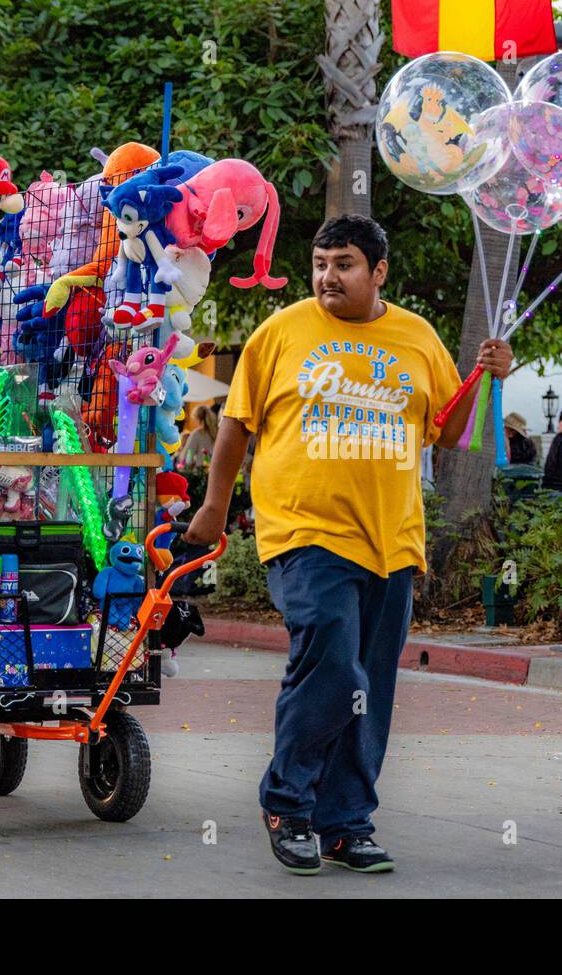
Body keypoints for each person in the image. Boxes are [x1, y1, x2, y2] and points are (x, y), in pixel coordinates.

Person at [182, 214, 512, 875]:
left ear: (379, 271)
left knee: (371, 687)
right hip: (303, 530)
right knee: (333, 665)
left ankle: (346, 822)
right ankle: (288, 802)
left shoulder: (416, 337)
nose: (328, 276)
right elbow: (237, 425)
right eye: (320, 263)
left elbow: (447, 433)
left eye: (345, 264)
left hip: (392, 540)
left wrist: (492, 378)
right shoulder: (282, 333)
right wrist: (215, 507)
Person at [177, 403, 220, 472]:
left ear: (197, 419)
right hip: (217, 472)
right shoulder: (217, 432)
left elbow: (188, 457)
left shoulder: (197, 434)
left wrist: (183, 465)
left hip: (202, 474)